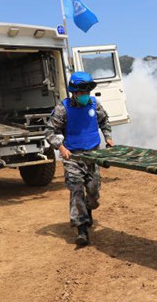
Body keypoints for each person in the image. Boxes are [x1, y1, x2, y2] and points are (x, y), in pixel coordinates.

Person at [45, 71, 114, 246]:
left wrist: (108, 137)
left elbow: (104, 121)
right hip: (73, 157)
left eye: (87, 92)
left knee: (93, 190)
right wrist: (61, 147)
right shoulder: (63, 108)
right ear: (74, 92)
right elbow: (50, 132)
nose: (85, 96)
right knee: (76, 190)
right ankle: (81, 229)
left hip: (93, 155)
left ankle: (89, 209)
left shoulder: (93, 104)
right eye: (82, 92)